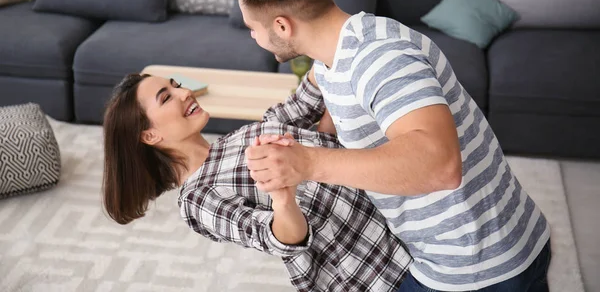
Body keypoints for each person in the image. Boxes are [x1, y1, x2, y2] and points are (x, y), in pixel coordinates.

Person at [228, 0, 551, 292]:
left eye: (253, 27)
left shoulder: (378, 56)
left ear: (282, 26)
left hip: (480, 266)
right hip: (447, 254)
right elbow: (318, 125)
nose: (252, 35)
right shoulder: (331, 58)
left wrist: (307, 162)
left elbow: (439, 165)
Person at [102, 72, 412, 292]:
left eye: (177, 85)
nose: (185, 93)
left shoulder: (237, 138)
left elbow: (306, 105)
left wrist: (328, 53)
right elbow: (281, 239)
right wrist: (283, 198)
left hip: (407, 234)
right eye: (166, 97)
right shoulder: (198, 198)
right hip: (379, 277)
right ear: (150, 135)